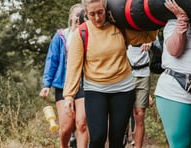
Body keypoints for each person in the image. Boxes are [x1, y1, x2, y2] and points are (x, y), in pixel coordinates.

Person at [63, 0, 158, 147]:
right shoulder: (81, 33)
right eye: (92, 14)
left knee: (117, 137)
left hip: (123, 89)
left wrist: (155, 21)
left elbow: (146, 37)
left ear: (106, 9)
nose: (97, 18)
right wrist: (69, 96)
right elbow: (73, 67)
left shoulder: (119, 27)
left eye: (100, 12)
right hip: (95, 89)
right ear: (86, 13)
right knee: (98, 137)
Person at [39, 4, 88, 148]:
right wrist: (46, 85)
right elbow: (52, 60)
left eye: (82, 15)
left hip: (83, 82)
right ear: (71, 17)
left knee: (82, 124)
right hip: (63, 84)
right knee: (66, 127)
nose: (78, 17)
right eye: (76, 14)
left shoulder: (89, 35)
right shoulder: (61, 36)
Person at [155, 0, 191, 147]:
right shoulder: (172, 23)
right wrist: (181, 21)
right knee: (180, 145)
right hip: (175, 90)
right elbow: (174, 51)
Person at [126, 43, 152, 148]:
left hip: (143, 73)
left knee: (139, 114)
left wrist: (151, 42)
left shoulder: (148, 29)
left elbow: (157, 41)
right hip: (125, 73)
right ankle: (122, 141)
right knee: (122, 116)